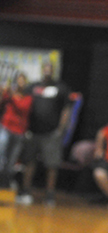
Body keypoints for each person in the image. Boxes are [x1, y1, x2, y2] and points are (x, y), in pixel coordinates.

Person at [16, 63, 72, 206]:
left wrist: (60, 129)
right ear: (41, 71)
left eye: (50, 70)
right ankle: (26, 191)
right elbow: (23, 105)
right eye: (45, 69)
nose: (47, 72)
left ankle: (49, 194)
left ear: (53, 71)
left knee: (51, 165)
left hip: (51, 133)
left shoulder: (61, 88)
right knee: (29, 162)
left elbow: (66, 109)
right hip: (32, 132)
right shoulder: (32, 87)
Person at [0, 73, 33, 188]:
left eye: (22, 81)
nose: (20, 83)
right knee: (1, 154)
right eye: (18, 80)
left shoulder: (28, 97)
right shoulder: (8, 94)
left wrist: (12, 95)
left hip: (19, 131)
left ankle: (5, 183)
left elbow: (22, 108)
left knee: (11, 160)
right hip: (6, 128)